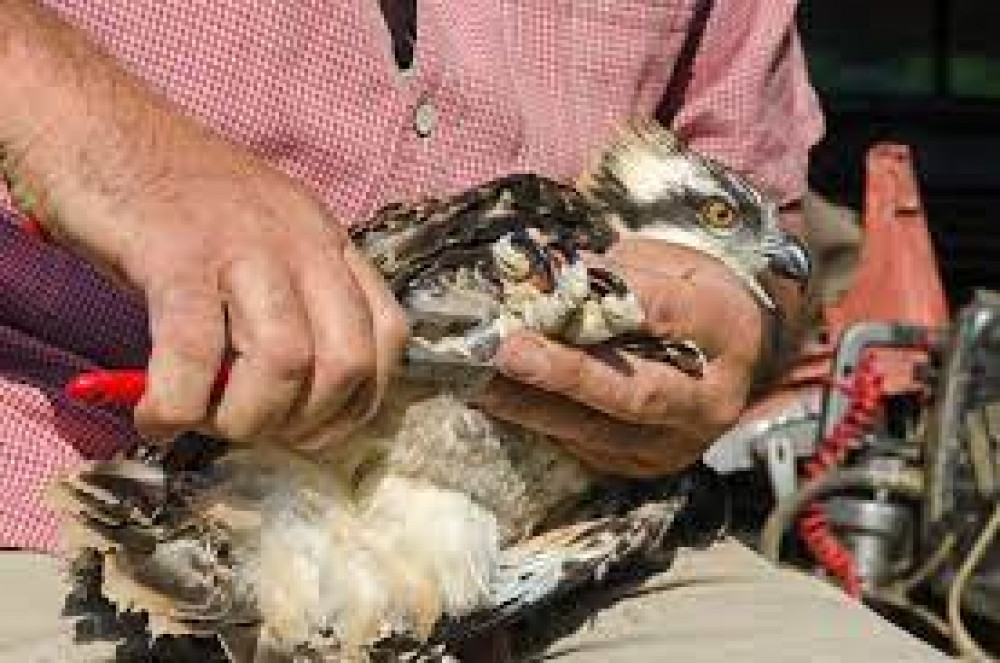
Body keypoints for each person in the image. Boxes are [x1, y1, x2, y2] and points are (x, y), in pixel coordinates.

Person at [0, 1, 946, 660]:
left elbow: (755, 220)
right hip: (61, 492)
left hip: (563, 547)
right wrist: (77, 123)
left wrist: (731, 329)